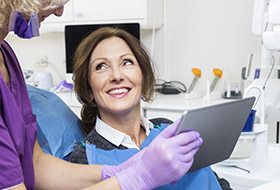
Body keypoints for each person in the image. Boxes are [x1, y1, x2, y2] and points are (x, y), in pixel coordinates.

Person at [0, 0, 204, 189]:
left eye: (127, 62)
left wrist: (116, 171)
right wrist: (137, 177)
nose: (60, 11)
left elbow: (37, 164)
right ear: (88, 90)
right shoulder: (86, 153)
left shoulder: (6, 55)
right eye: (56, 0)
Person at [69, 27, 223, 189]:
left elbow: (215, 180)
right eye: (101, 66)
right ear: (88, 89)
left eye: (127, 62)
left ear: (143, 77)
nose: (117, 76)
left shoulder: (168, 127)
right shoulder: (84, 158)